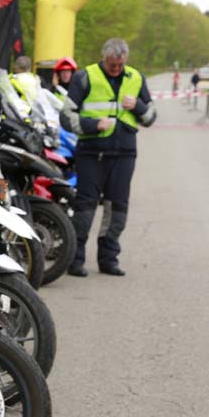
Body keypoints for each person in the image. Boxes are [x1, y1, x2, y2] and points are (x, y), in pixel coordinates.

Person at [64, 37, 152, 277]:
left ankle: (108, 259)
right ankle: (75, 259)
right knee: (85, 207)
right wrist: (92, 124)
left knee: (118, 208)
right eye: (112, 64)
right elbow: (66, 115)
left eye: (120, 64)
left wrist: (138, 106)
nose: (116, 68)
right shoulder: (85, 77)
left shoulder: (136, 78)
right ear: (104, 58)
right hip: (92, 153)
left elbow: (151, 117)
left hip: (124, 154)